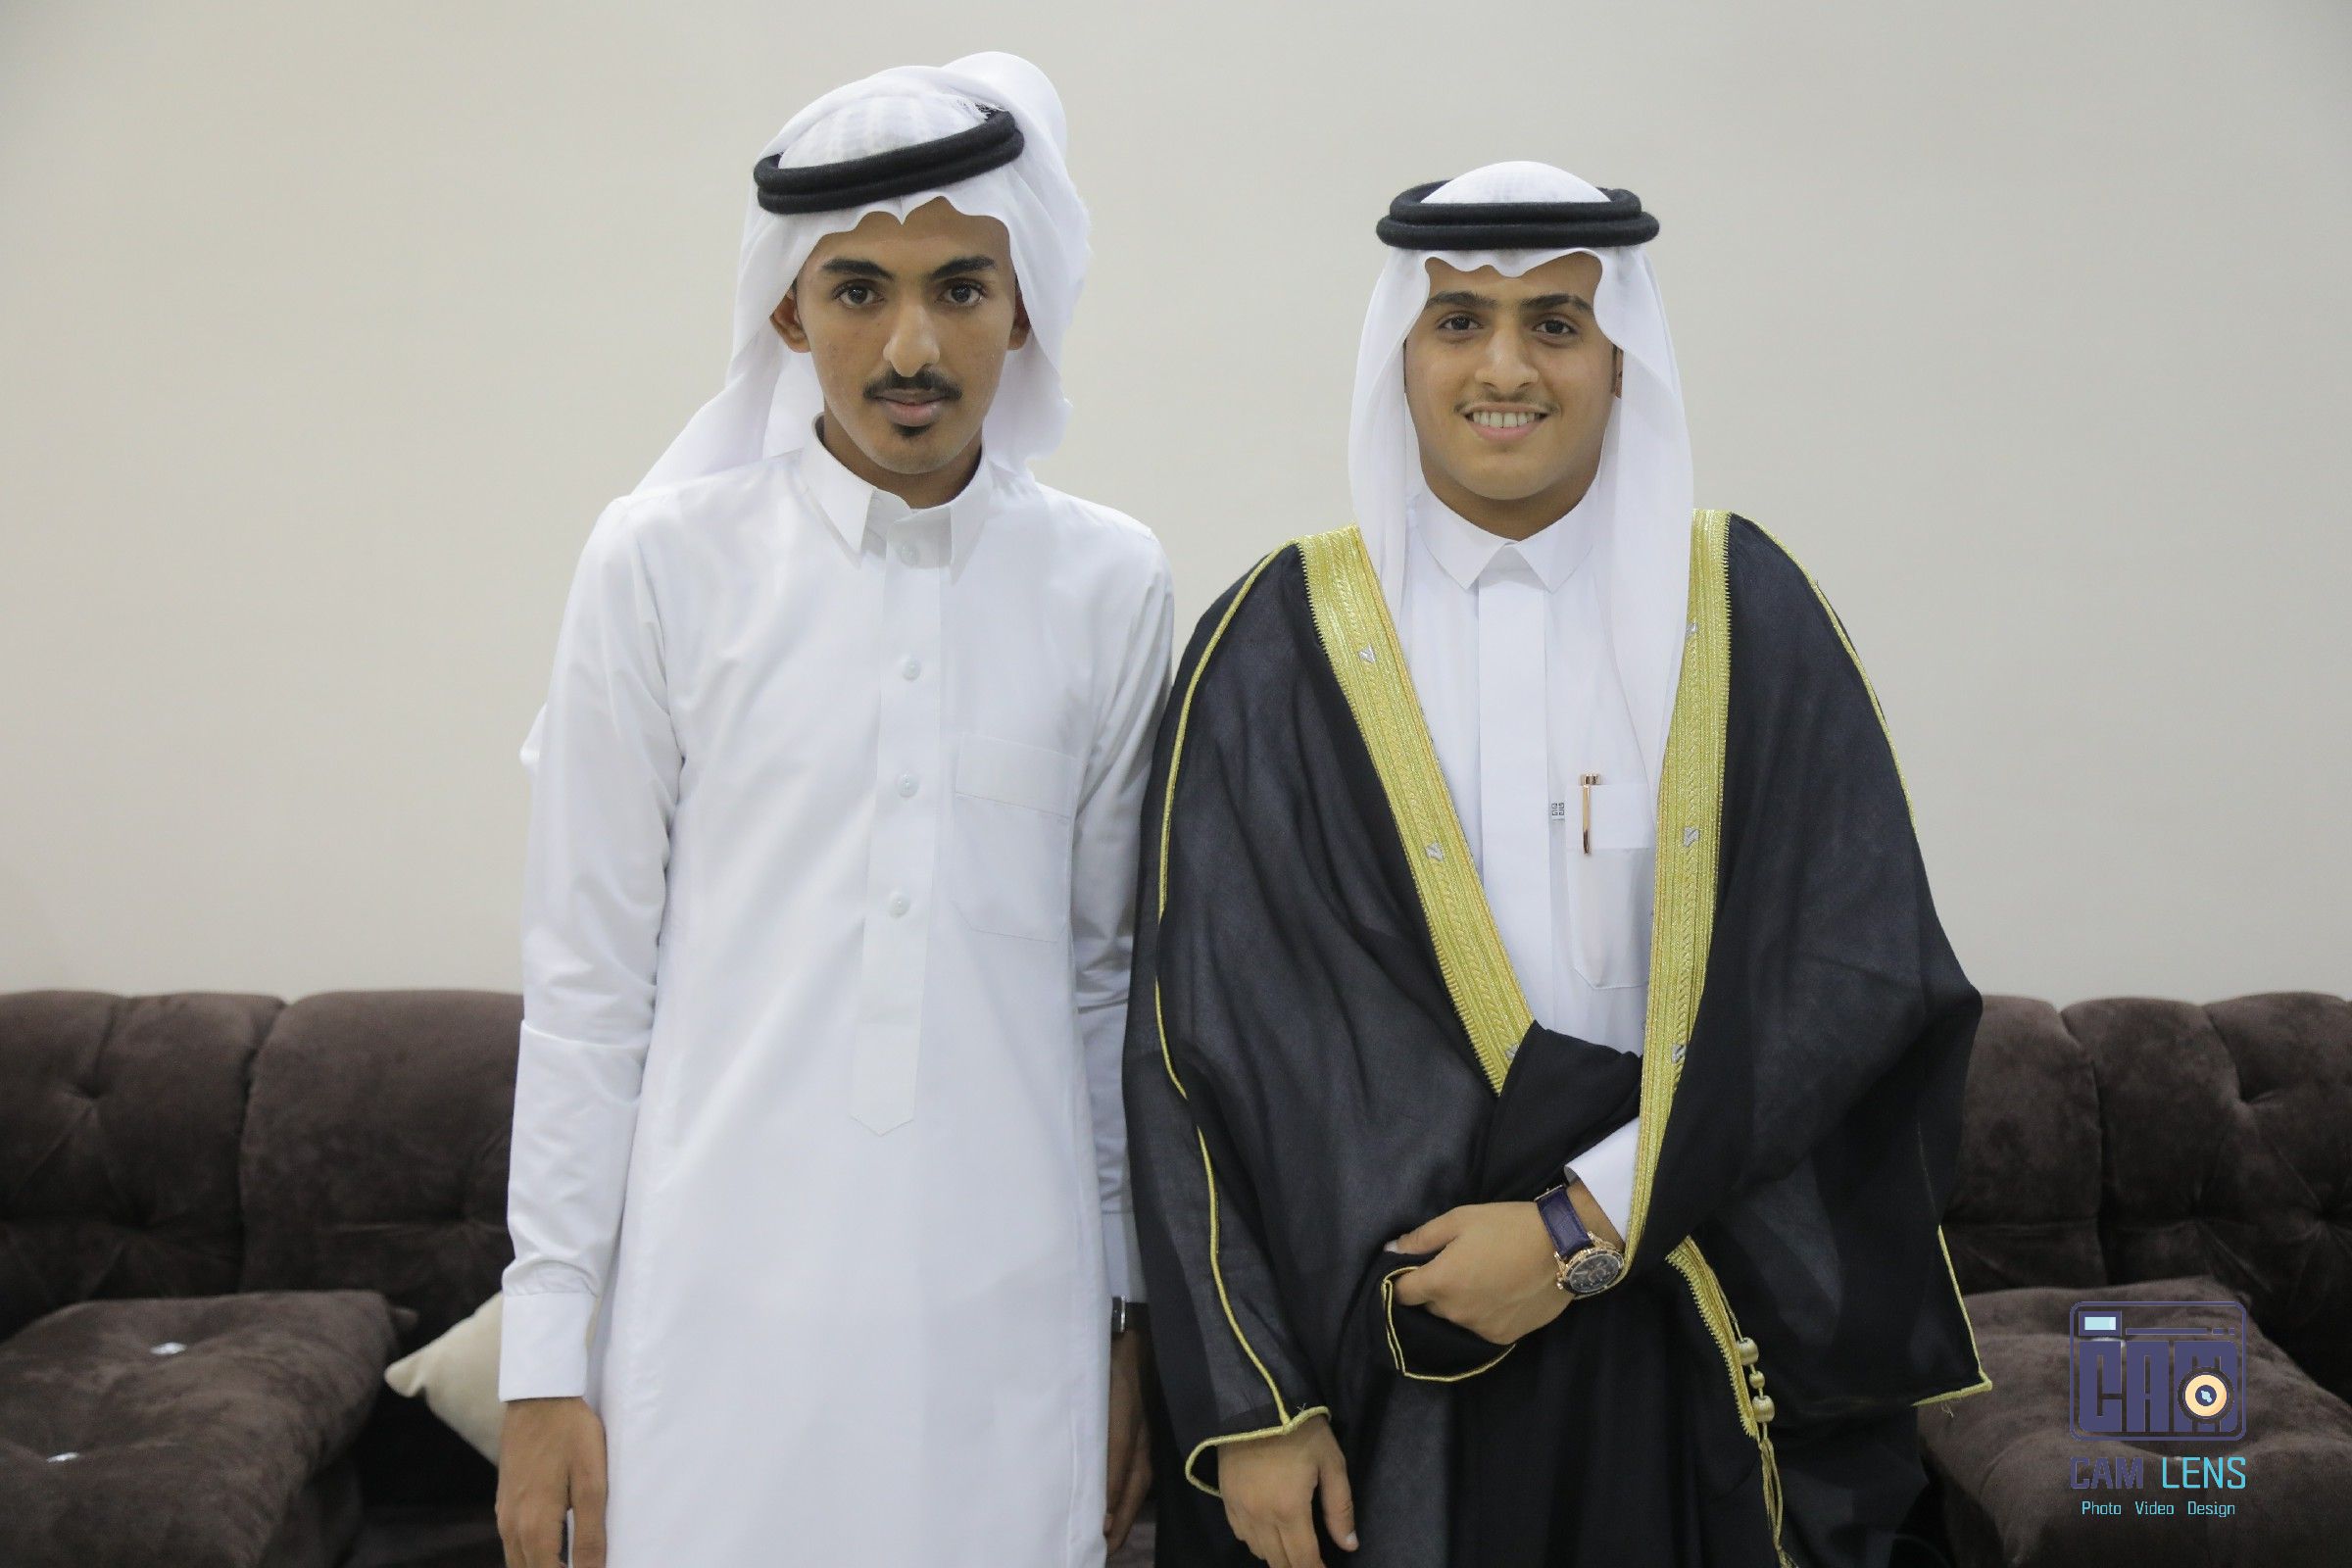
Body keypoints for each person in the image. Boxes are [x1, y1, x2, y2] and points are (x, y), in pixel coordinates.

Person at [1124, 162, 1991, 1568]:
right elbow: (1185, 1048)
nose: (1506, 368)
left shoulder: (1745, 612)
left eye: (1557, 323)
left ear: (1620, 356)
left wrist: (1582, 1223)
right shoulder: (1273, 644)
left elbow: (1854, 978)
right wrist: (1253, 1404)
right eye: (1460, 320)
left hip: (1690, 1305)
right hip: (1378, 1360)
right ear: (1401, 357)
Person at [493, 53, 1171, 1568]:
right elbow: (589, 989)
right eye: (859, 290)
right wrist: (545, 1359)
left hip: (1012, 1327)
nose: (911, 345)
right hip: (713, 1328)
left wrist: (1133, 1315)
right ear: (789, 314)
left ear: (1023, 306)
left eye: (961, 288)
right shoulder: (658, 564)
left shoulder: (1110, 583)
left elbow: (1106, 985)